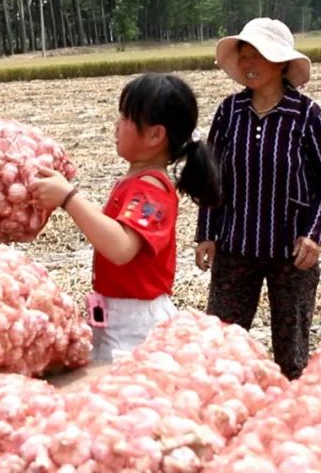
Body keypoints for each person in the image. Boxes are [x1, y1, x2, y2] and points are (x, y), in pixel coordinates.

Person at [31, 73, 221, 363]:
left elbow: (121, 248)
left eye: (125, 117)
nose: (116, 125)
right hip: (117, 315)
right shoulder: (137, 182)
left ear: (155, 136)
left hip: (136, 326)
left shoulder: (151, 190)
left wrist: (69, 199)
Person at [194, 18, 321, 380]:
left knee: (291, 355)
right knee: (224, 344)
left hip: (290, 255)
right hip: (235, 248)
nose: (247, 63)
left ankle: (289, 421)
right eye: (242, 56)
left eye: (257, 54)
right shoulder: (230, 112)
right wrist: (207, 233)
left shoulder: (306, 116)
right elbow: (213, 176)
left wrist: (314, 235)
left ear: (281, 63)